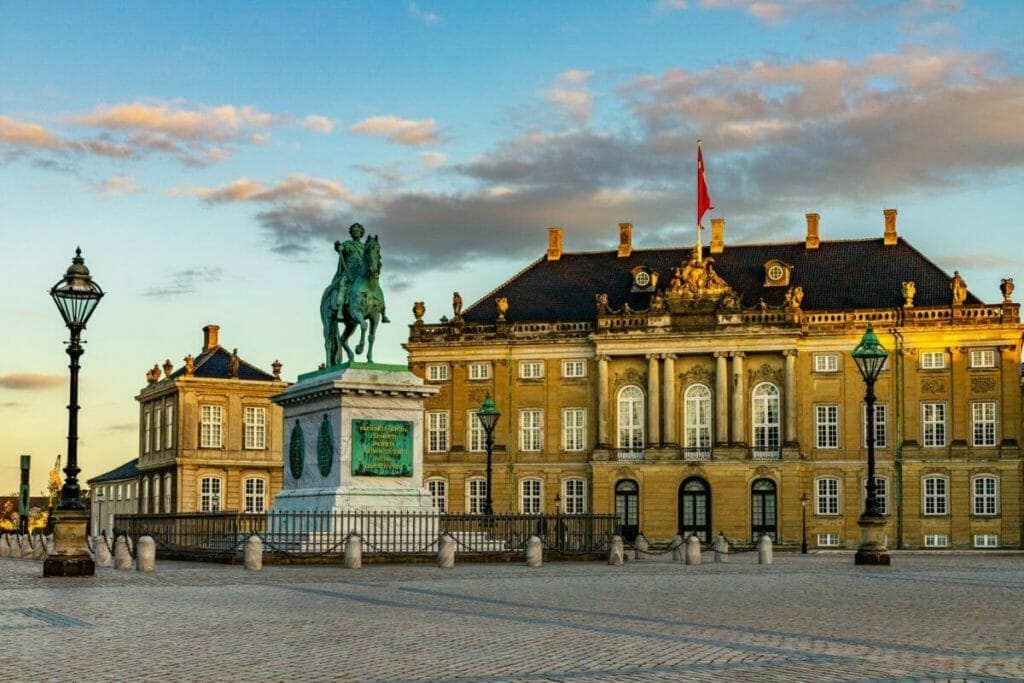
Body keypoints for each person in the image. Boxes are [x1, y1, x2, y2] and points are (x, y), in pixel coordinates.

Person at [333, 223, 389, 322]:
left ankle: (382, 309)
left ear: (361, 233)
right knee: (343, 282)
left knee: (375, 283)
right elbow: (341, 249)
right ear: (351, 233)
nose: (356, 232)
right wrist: (339, 247)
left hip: (362, 271)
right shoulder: (348, 244)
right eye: (354, 230)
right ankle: (340, 309)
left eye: (358, 230)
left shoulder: (365, 246)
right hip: (350, 270)